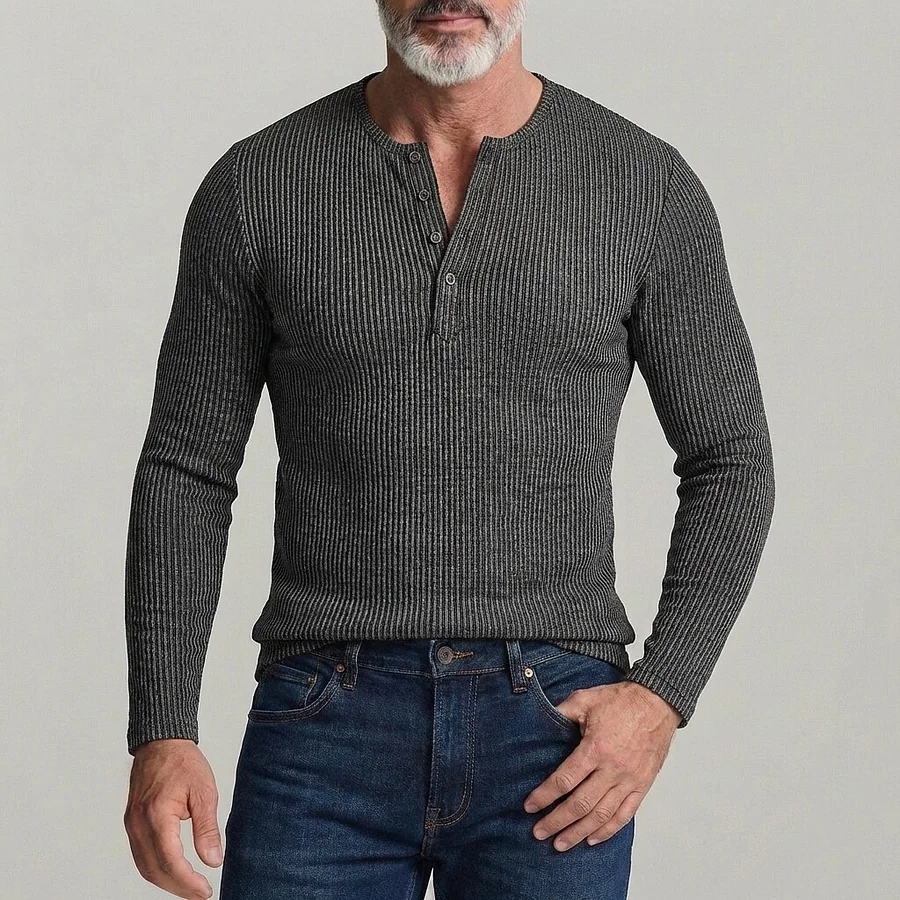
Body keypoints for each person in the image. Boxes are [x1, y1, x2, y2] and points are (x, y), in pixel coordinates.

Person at [122, 1, 776, 898]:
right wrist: (162, 724)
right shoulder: (260, 185)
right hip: (323, 722)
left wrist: (663, 694)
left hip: (553, 727)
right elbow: (186, 470)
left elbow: (731, 459)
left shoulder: (642, 185)